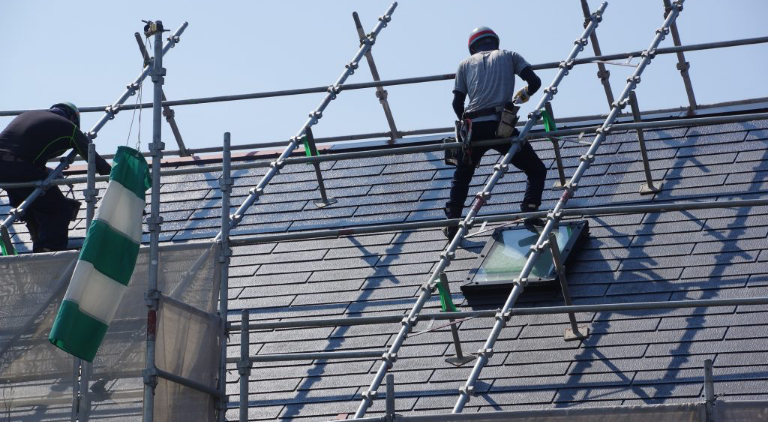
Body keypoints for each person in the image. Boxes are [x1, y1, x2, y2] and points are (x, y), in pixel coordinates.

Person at [445, 26, 548, 239]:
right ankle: (529, 209)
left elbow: (457, 102)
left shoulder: (464, 64)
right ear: (495, 42)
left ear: (472, 48)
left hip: (474, 126)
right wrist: (521, 97)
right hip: (501, 124)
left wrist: (464, 125)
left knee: (463, 174)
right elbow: (535, 82)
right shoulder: (509, 55)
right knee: (536, 169)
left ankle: (452, 221)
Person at [0, 103, 111, 252]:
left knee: (32, 205)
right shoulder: (69, 128)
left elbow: (21, 150)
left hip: (6, 170)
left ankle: (38, 242)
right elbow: (97, 162)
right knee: (59, 209)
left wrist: (44, 170)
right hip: (18, 168)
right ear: (72, 118)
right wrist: (120, 183)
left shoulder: (28, 115)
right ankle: (49, 250)